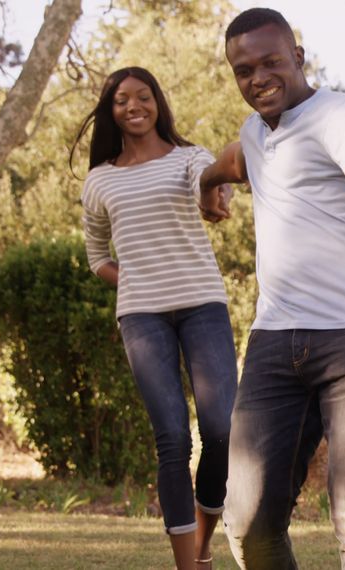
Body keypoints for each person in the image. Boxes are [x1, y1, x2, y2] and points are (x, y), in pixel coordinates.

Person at [198, 8, 345, 569]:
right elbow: (230, 162)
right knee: (246, 521)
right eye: (243, 69)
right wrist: (206, 186)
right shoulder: (255, 133)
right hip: (273, 342)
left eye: (271, 61)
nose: (258, 77)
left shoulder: (342, 113)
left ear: (298, 56)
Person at [72, 66, 238, 570]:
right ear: (111, 110)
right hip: (142, 317)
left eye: (143, 96)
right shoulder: (99, 180)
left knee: (221, 429)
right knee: (172, 436)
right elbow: (96, 254)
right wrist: (137, 280)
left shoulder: (190, 159)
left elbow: (209, 183)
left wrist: (217, 193)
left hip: (202, 305)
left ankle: (205, 544)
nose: (133, 106)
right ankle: (186, 565)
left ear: (157, 103)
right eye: (122, 100)